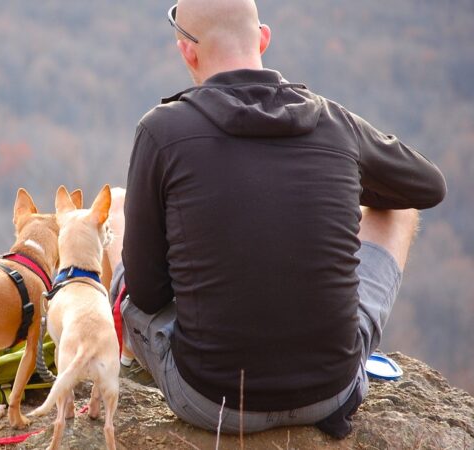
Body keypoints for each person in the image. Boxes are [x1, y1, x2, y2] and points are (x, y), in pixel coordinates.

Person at [111, 0, 447, 438]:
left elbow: (150, 294)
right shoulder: (334, 122)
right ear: (264, 38)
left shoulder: (161, 131)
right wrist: (336, 176)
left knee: (117, 204)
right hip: (332, 391)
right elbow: (426, 187)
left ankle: (123, 361)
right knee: (398, 211)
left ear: (187, 52)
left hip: (210, 400)